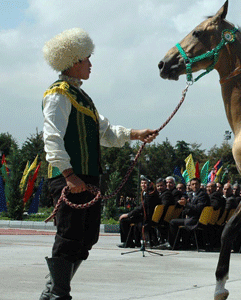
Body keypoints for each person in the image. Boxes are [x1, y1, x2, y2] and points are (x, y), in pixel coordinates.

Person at [39, 28, 158, 299]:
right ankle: (58, 294)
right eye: (87, 59)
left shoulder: (83, 98)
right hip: (70, 178)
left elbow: (106, 132)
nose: (91, 64)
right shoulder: (58, 95)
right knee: (69, 236)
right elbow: (52, 138)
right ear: (73, 61)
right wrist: (68, 174)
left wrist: (135, 134)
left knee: (86, 238)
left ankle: (51, 291)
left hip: (88, 179)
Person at [159, 178, 210, 249]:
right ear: (190, 186)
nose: (195, 186)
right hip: (192, 218)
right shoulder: (194, 194)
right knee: (178, 219)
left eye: (196, 184)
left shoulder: (202, 195)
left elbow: (199, 208)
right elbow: (191, 208)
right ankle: (183, 243)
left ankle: (173, 244)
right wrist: (185, 207)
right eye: (193, 184)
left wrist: (186, 204)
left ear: (199, 185)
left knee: (172, 222)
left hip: (196, 220)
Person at [118, 177, 161, 248]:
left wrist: (128, 214)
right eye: (142, 183)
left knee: (124, 220)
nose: (143, 185)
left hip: (147, 218)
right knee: (130, 220)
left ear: (150, 184)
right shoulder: (147, 193)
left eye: (145, 183)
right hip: (145, 216)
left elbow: (141, 208)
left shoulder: (150, 194)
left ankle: (127, 242)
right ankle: (131, 242)